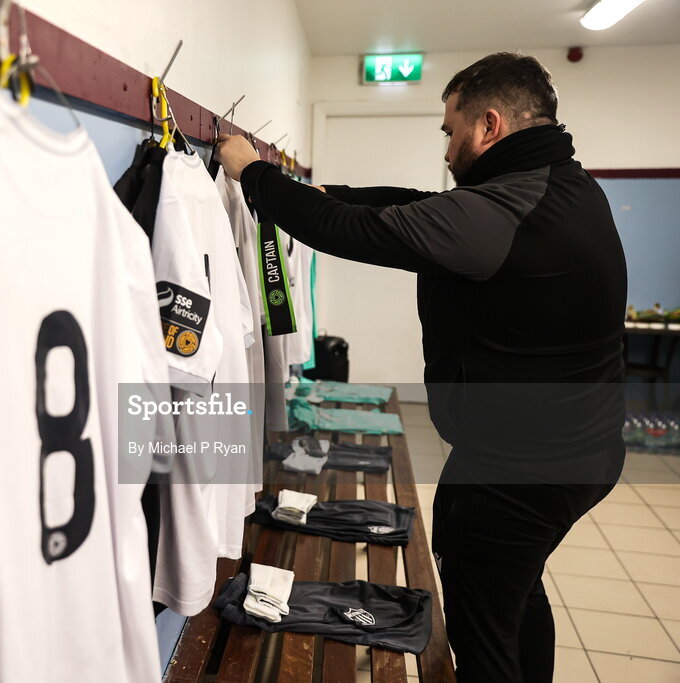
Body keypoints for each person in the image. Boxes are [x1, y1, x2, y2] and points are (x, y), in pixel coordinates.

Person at [215, 52, 627, 682]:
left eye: (450, 130)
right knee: (515, 595)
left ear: (488, 126)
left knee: (483, 628)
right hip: (575, 451)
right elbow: (411, 206)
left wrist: (254, 177)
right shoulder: (561, 186)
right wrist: (324, 192)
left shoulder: (502, 212)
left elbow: (360, 232)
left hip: (521, 469)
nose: (447, 145)